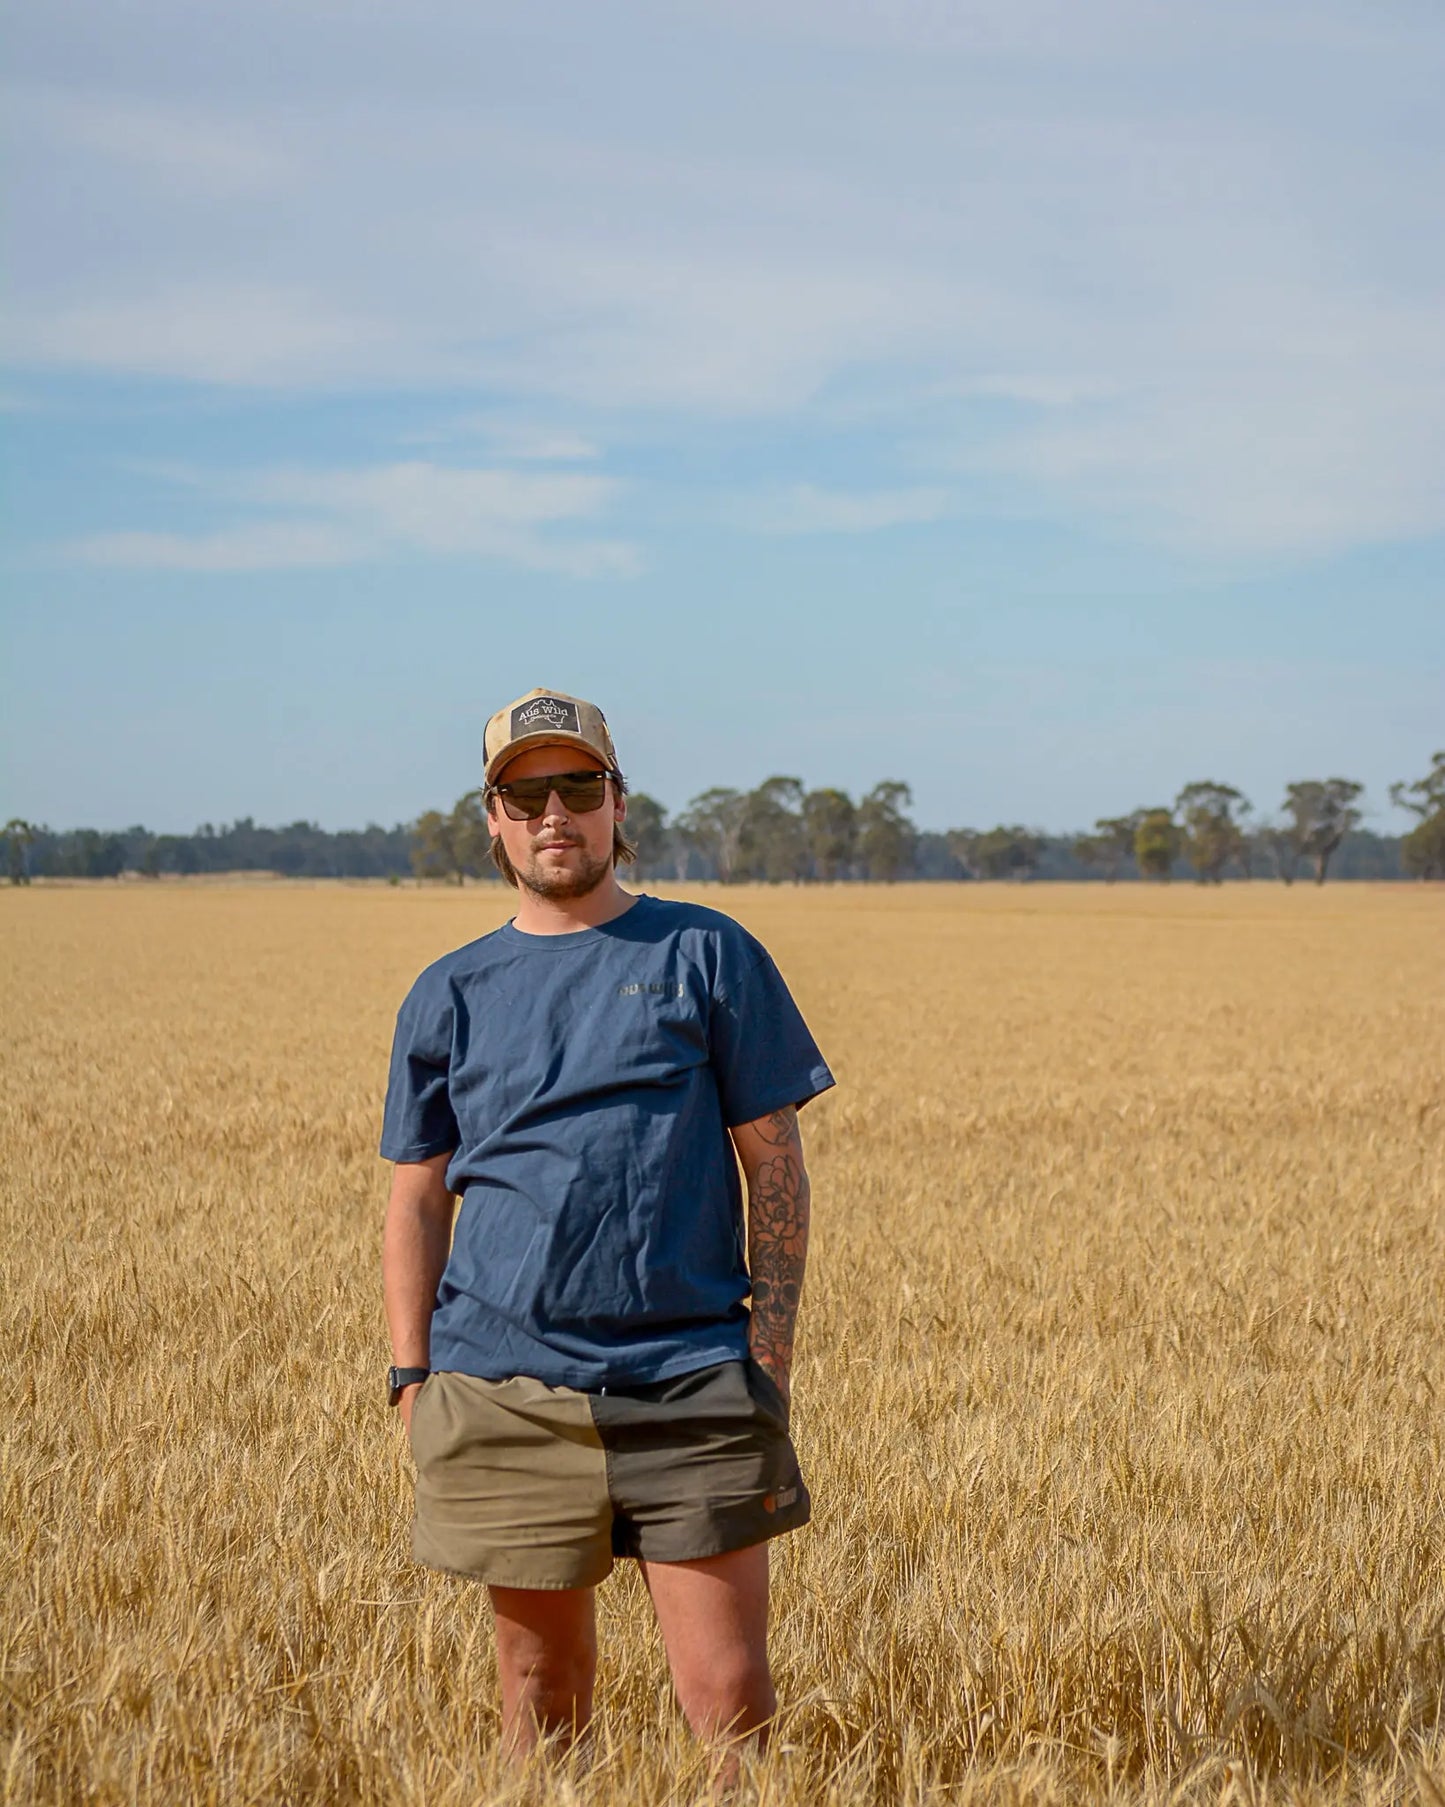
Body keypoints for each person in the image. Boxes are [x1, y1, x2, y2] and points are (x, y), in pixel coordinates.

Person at [380, 687, 834, 1765]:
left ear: (617, 803)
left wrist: (767, 1354)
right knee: (540, 1695)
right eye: (525, 793)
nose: (555, 813)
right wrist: (411, 1377)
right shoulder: (450, 991)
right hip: (504, 1386)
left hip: (689, 1378)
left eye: (578, 787)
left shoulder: (706, 951)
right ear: (492, 818)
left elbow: (774, 1161)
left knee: (731, 1700)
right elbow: (415, 1197)